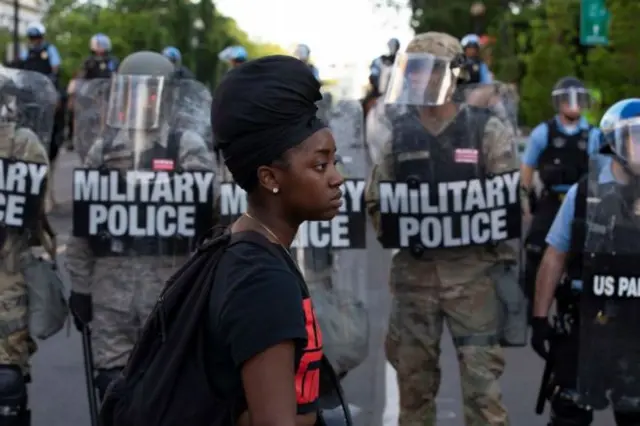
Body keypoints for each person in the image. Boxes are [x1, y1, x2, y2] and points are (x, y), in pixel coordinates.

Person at [365, 31, 524, 426]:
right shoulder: (398, 135)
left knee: (484, 398)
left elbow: (511, 202)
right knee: (414, 398)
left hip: (475, 282)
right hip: (414, 281)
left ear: (453, 75)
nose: (418, 80)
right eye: (413, 72)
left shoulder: (485, 130)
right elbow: (375, 200)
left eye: (428, 71)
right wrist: (402, 222)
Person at [65, 50, 215, 401]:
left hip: (171, 294)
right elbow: (83, 229)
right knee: (114, 391)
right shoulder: (103, 151)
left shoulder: (185, 147)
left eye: (149, 92)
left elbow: (211, 214)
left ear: (165, 97)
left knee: (168, 393)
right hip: (110, 296)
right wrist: (81, 288)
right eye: (133, 91)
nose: (141, 99)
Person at [207, 54, 346, 425]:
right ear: (270, 178)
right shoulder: (261, 278)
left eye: (335, 162)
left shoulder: (250, 244)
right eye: (320, 165)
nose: (337, 178)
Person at [532, 98, 640, 426]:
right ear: (616, 142)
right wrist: (539, 318)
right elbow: (555, 255)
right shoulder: (584, 192)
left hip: (636, 327)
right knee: (570, 414)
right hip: (585, 320)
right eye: (636, 136)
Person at [0, 72, 57, 426]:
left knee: (7, 381)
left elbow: (36, 207)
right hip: (10, 278)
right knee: (6, 373)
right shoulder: (25, 143)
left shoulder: (23, 143)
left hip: (9, 273)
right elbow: (41, 209)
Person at [520, 76, 601, 317]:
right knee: (535, 248)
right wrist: (525, 201)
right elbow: (527, 167)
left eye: (578, 100)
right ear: (559, 103)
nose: (573, 105)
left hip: (582, 201)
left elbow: (601, 169)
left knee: (589, 251)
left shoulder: (593, 135)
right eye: (568, 100)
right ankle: (534, 306)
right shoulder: (543, 132)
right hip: (551, 199)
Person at [18, 22, 61, 87]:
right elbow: (21, 63)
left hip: (45, 84)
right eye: (31, 38)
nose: (34, 40)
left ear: (41, 37)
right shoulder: (27, 50)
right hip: (29, 84)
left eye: (36, 37)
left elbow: (55, 66)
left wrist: (53, 76)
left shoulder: (50, 48)